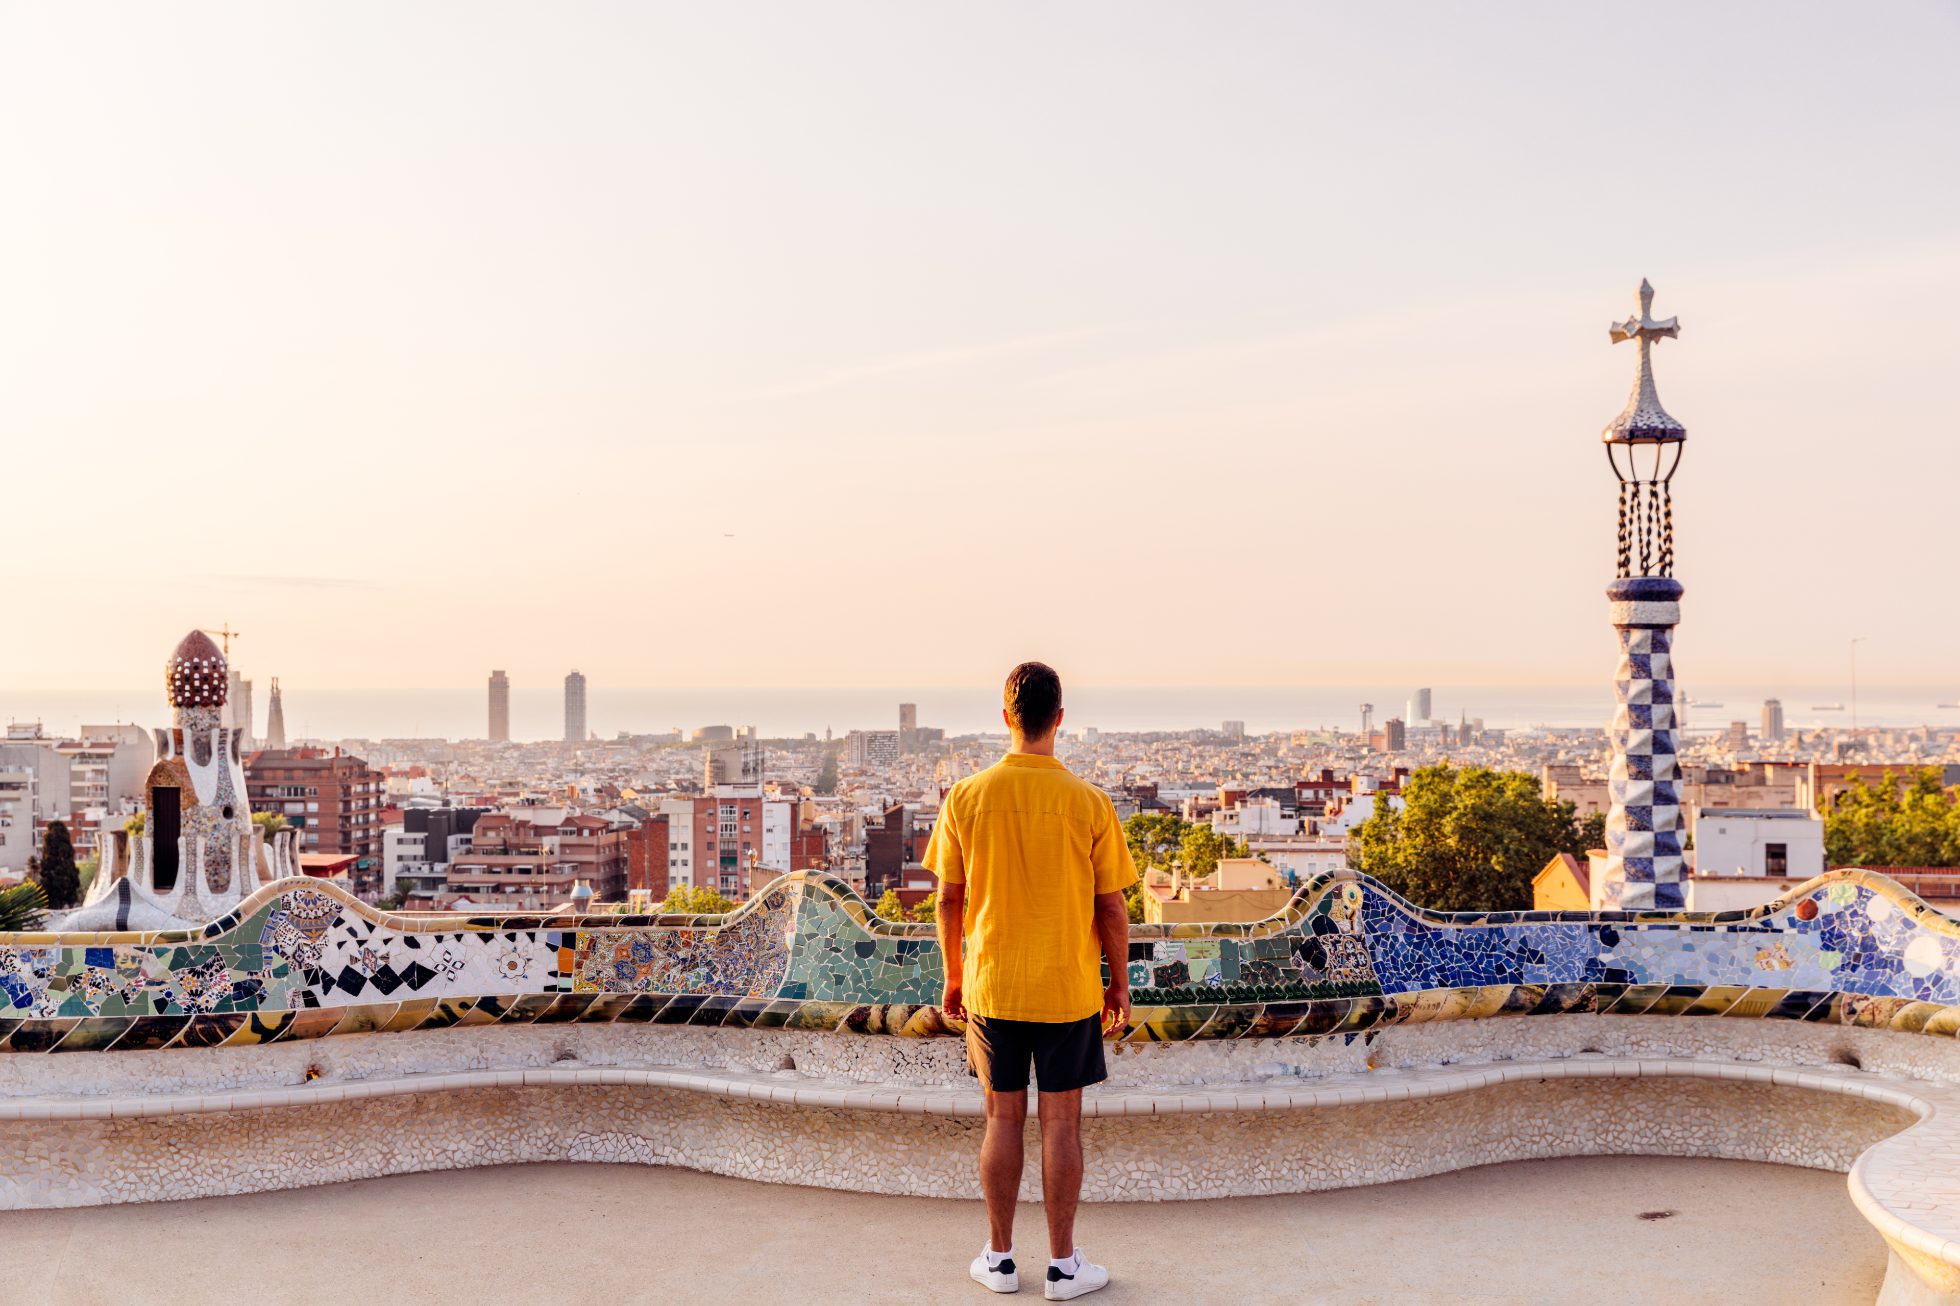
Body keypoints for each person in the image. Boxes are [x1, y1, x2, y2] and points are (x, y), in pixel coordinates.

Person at [924, 661, 1138, 1300]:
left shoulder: (966, 797)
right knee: (1063, 1126)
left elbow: (946, 900)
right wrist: (1119, 985)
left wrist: (954, 976)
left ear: (1007, 717)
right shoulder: (1089, 802)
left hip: (993, 985)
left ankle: (998, 1259)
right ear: (1061, 720)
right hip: (1068, 987)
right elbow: (1112, 909)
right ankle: (1065, 1269)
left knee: (1002, 1119)